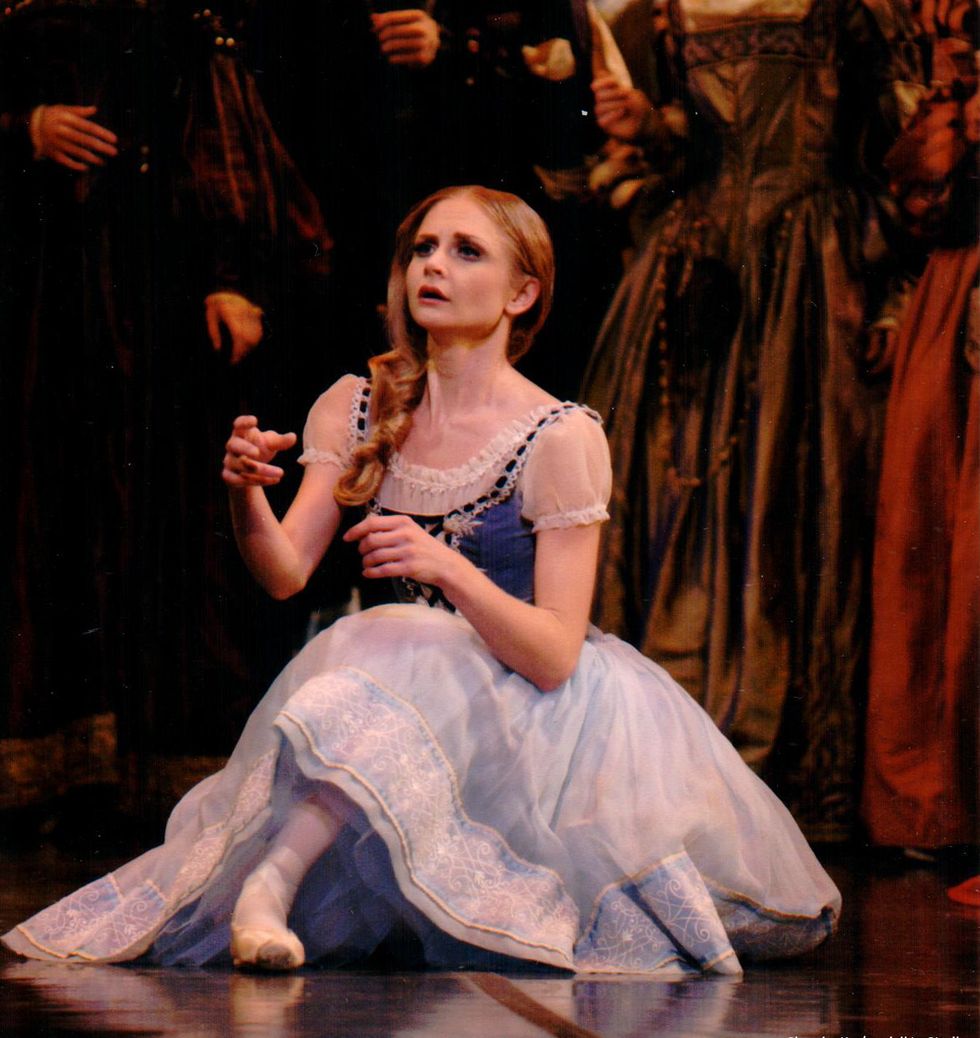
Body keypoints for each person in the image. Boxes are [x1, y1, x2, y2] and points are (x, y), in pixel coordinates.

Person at [3, 187, 840, 973]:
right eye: (423, 249)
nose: (432, 266)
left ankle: (273, 885)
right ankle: (265, 886)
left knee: (397, 634)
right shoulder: (360, 407)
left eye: (466, 251)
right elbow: (287, 573)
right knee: (382, 639)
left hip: (540, 717)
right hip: (408, 706)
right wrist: (245, 500)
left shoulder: (558, 435)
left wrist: (449, 572)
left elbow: (555, 653)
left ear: (521, 294)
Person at [580, 0, 925, 839]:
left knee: (791, 505)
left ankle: (788, 769)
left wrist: (894, 297)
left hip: (815, 271)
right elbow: (679, 157)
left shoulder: (853, 13)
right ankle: (661, 764)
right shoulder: (657, 16)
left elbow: (900, 158)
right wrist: (650, 132)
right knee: (672, 502)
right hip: (696, 273)